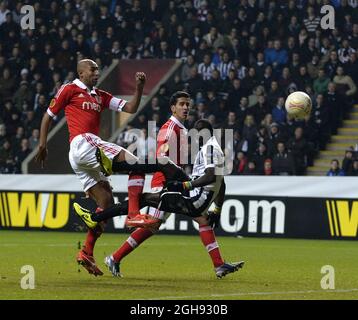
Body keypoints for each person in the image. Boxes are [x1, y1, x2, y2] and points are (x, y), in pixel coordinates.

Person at [35, 59, 187, 276]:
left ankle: (86, 251)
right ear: (81, 72)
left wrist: (140, 87)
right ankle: (133, 214)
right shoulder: (69, 89)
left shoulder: (100, 95)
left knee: (106, 202)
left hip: (84, 155)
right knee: (135, 162)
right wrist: (42, 144)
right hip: (82, 143)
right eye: (93, 69)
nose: (97, 72)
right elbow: (48, 116)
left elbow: (131, 108)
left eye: (98, 69)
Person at [74, 119, 244, 279]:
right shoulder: (209, 147)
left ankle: (97, 219)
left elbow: (211, 177)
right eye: (183, 104)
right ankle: (219, 265)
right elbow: (221, 183)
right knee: (198, 221)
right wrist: (217, 209)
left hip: (184, 192)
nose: (193, 140)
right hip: (179, 189)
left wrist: (185, 186)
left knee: (148, 203)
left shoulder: (208, 148)